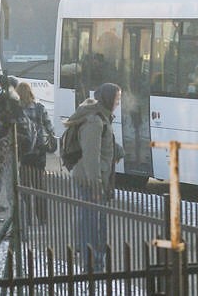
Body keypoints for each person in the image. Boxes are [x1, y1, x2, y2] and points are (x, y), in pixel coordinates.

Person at [69, 82, 122, 271]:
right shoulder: (95, 120)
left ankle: (94, 261)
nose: (118, 102)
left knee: (92, 221)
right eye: (116, 98)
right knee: (92, 224)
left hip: (93, 179)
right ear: (108, 98)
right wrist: (97, 185)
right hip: (90, 181)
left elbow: (103, 145)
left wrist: (118, 151)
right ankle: (92, 264)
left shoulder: (102, 117)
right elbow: (91, 156)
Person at [0, 71, 33, 214]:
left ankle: (20, 228)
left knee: (12, 192)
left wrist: (11, 141)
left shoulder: (11, 105)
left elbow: (24, 132)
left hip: (9, 154)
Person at [16, 81, 55, 226]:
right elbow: (50, 128)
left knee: (25, 187)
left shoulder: (17, 110)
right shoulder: (39, 108)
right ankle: (42, 217)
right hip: (39, 152)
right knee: (39, 186)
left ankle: (27, 218)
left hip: (23, 152)